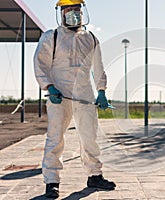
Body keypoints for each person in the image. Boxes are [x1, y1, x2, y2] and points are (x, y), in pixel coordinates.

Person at [33, 0, 115, 198]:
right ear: (61, 13)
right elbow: (40, 64)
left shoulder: (91, 38)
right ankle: (52, 181)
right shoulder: (51, 37)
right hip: (59, 96)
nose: (73, 13)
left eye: (76, 9)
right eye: (69, 10)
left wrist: (101, 91)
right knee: (55, 137)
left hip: (85, 95)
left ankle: (95, 175)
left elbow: (98, 67)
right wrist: (49, 87)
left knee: (90, 137)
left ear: (82, 11)